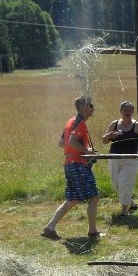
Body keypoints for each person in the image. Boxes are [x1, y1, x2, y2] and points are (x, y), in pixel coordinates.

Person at [41, 96, 104, 240]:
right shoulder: (79, 123)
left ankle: (50, 228)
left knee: (73, 199)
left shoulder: (71, 121)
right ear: (83, 107)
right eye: (90, 106)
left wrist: (78, 150)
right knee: (93, 197)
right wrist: (87, 152)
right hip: (78, 165)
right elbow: (72, 141)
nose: (93, 108)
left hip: (70, 164)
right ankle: (93, 231)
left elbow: (62, 143)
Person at [102, 100, 138, 217]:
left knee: (125, 183)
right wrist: (108, 136)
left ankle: (124, 212)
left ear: (133, 112)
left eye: (130, 110)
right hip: (114, 157)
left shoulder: (137, 125)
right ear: (121, 111)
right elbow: (104, 141)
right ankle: (132, 204)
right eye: (125, 110)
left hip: (131, 159)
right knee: (116, 185)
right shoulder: (114, 124)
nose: (127, 112)